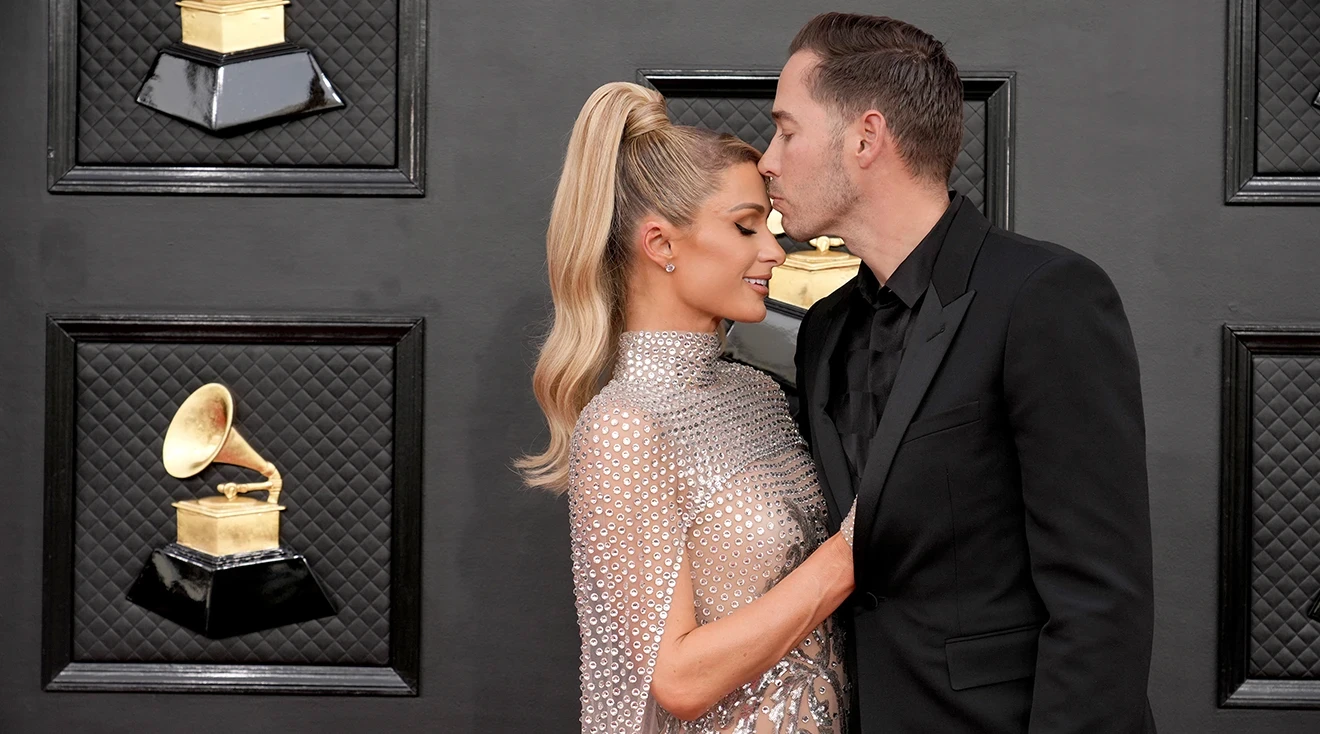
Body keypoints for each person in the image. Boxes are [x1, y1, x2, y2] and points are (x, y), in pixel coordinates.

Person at [762, 12, 1158, 733]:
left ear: (866, 139)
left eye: (787, 130)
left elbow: (1099, 603)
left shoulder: (1045, 296)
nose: (768, 159)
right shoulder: (824, 327)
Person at [518, 81, 860, 733]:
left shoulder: (757, 394)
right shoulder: (624, 426)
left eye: (769, 223)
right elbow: (677, 680)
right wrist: (852, 551)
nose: (773, 250)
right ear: (661, 245)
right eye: (744, 227)